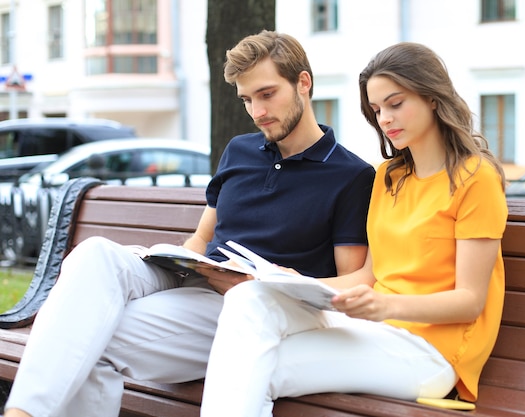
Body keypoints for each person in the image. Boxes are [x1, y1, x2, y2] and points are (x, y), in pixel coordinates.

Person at [3, 31, 375, 417]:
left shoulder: (350, 175)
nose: (257, 112)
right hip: (195, 280)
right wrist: (178, 259)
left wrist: (263, 282)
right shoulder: (240, 150)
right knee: (94, 253)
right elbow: (202, 236)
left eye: (267, 94)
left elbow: (352, 281)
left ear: (303, 83)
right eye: (247, 100)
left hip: (254, 308)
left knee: (89, 342)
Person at [200, 42, 508, 417]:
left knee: (250, 367)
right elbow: (370, 275)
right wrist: (295, 281)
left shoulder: (476, 180)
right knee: (250, 299)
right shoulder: (389, 177)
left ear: (432, 97)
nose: (386, 119)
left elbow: (470, 301)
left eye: (396, 104)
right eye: (377, 110)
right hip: (373, 329)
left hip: (430, 352)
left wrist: (387, 305)